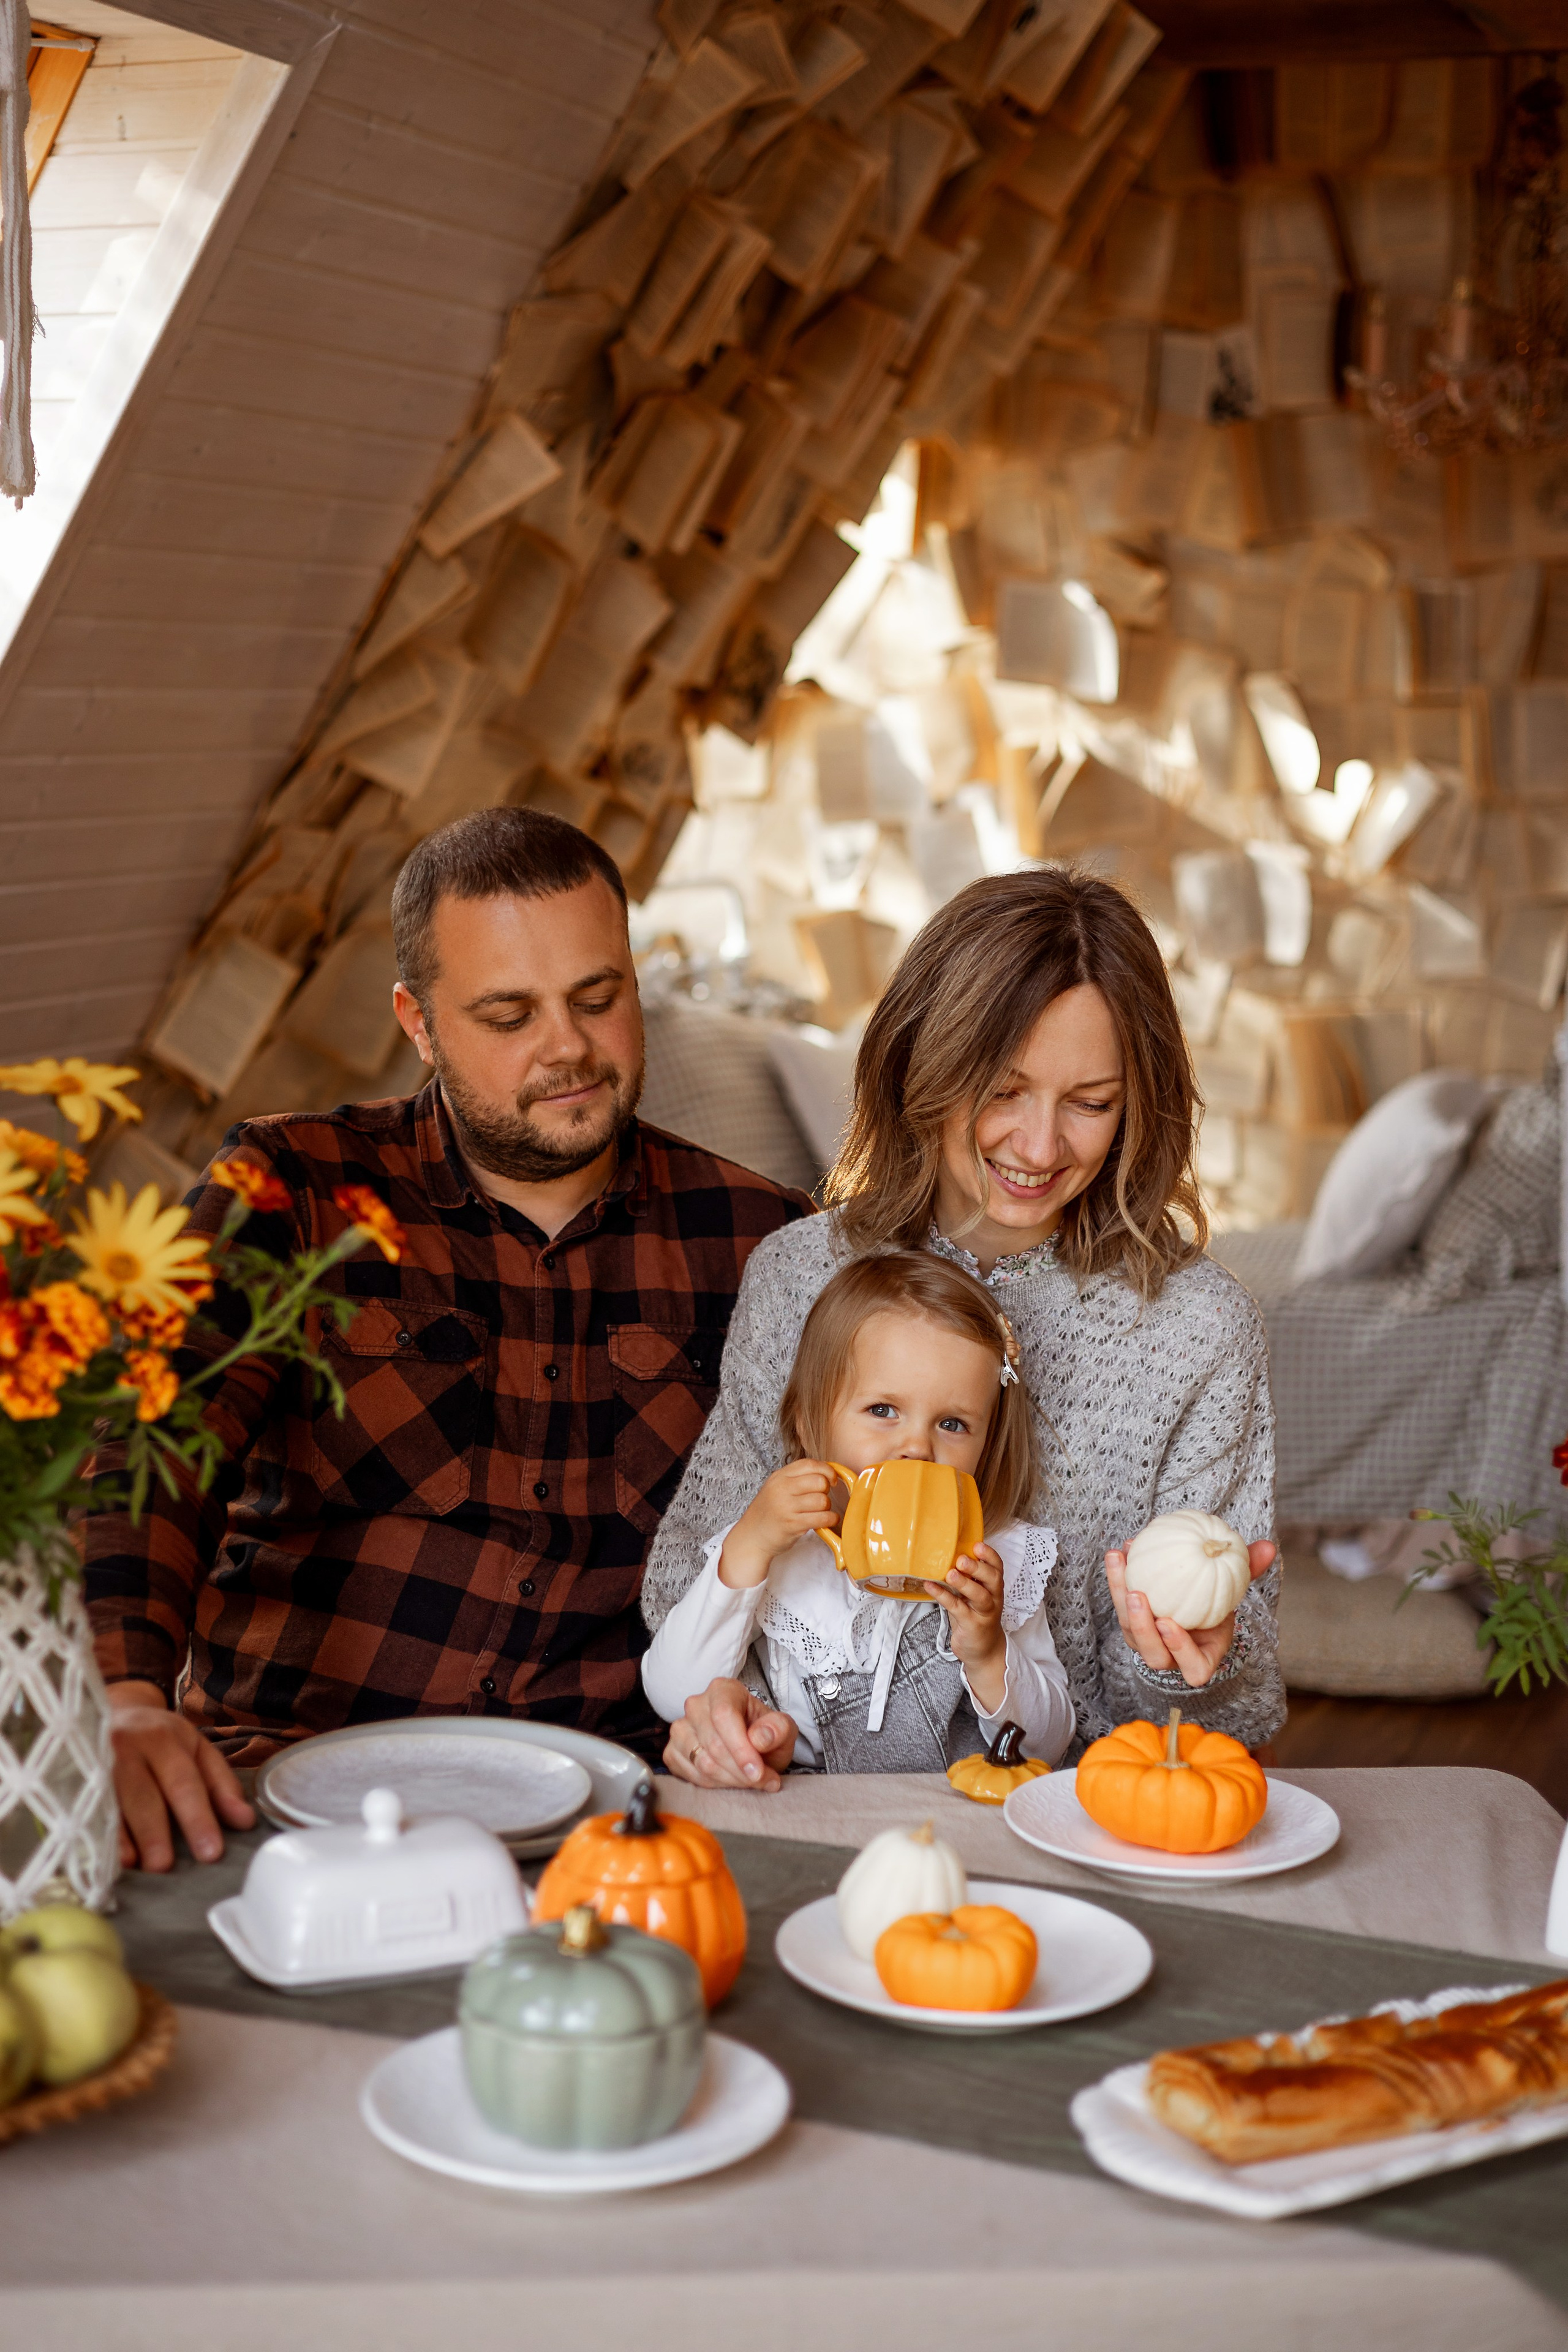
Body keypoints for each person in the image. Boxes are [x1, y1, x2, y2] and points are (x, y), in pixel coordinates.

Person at [86, 809, 810, 1870]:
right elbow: (147, 1451)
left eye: (598, 999)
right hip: (281, 1786)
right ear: (419, 1024)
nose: (568, 1047)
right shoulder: (291, 1190)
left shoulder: (764, 1240)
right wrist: (124, 1697)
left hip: (615, 1814)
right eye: (508, 1015)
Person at [643, 866, 1283, 1793]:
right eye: (1002, 1090)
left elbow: (1238, 1708)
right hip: (801, 1792)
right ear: (923, 1065)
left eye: (1090, 1104)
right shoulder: (797, 1276)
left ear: (1140, 1106)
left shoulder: (1201, 1329)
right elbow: (690, 1589)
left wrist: (1188, 1659)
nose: (1038, 1147)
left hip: (1084, 1811)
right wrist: (725, 1715)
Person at [643, 1250, 1073, 1781]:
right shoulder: (775, 1548)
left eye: (954, 1424)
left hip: (952, 1825)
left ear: (987, 1445)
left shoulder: (994, 1563)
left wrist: (988, 1652)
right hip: (799, 1811)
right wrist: (749, 1546)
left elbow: (1048, 1748)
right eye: (883, 1411)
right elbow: (672, 1694)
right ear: (806, 1424)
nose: (916, 1446)